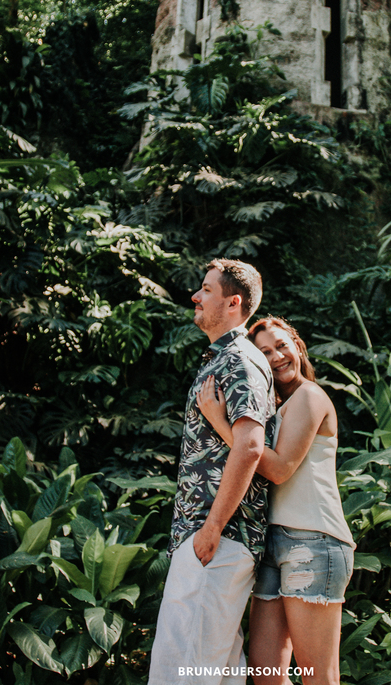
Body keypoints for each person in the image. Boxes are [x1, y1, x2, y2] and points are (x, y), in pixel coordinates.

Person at [196, 316, 354, 685]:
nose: (277, 356)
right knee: (266, 673)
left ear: (297, 346)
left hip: (313, 540)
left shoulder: (310, 396)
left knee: (319, 677)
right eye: (265, 352)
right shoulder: (276, 409)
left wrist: (220, 421)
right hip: (272, 544)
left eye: (282, 345)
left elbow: (280, 469)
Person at [148, 259, 276, 685]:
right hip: (210, 538)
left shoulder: (239, 359)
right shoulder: (221, 359)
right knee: (216, 674)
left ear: (233, 302)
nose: (195, 296)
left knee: (183, 670)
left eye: (205, 289)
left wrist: (211, 529)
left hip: (216, 538)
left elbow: (251, 446)